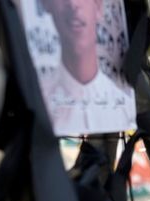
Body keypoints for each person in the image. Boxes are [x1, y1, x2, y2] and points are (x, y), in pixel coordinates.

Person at [39, 0, 135, 135]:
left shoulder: (125, 109)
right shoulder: (39, 103)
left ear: (98, 6)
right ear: (47, 4)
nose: (73, 4)